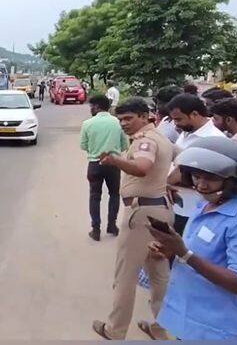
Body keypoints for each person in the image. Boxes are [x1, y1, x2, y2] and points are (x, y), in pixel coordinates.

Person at [92, 97, 175, 341]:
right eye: (121, 119)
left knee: (125, 275)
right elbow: (174, 160)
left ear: (144, 116)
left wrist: (114, 159)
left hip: (142, 216)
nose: (124, 124)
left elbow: (142, 167)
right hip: (159, 209)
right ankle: (162, 327)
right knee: (159, 274)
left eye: (129, 118)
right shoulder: (160, 137)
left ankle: (115, 330)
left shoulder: (146, 141)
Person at [149, 136, 237, 340]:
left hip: (217, 328)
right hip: (188, 317)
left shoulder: (236, 218)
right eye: (197, 177)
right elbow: (197, 258)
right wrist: (172, 252)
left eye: (210, 178)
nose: (201, 185)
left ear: (233, 180)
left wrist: (184, 253)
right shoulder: (205, 206)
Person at [167, 94, 226, 235]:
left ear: (194, 114)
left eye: (178, 119)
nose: (175, 123)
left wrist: (169, 181)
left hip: (198, 210)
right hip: (179, 207)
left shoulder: (214, 140)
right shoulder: (186, 133)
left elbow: (200, 176)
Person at [81, 95, 129, 241]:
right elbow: (125, 145)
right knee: (114, 194)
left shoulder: (87, 123)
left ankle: (95, 229)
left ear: (97, 106)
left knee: (94, 196)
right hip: (113, 164)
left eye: (91, 106)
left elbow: (83, 146)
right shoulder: (117, 123)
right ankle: (112, 226)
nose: (90, 109)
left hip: (95, 165)